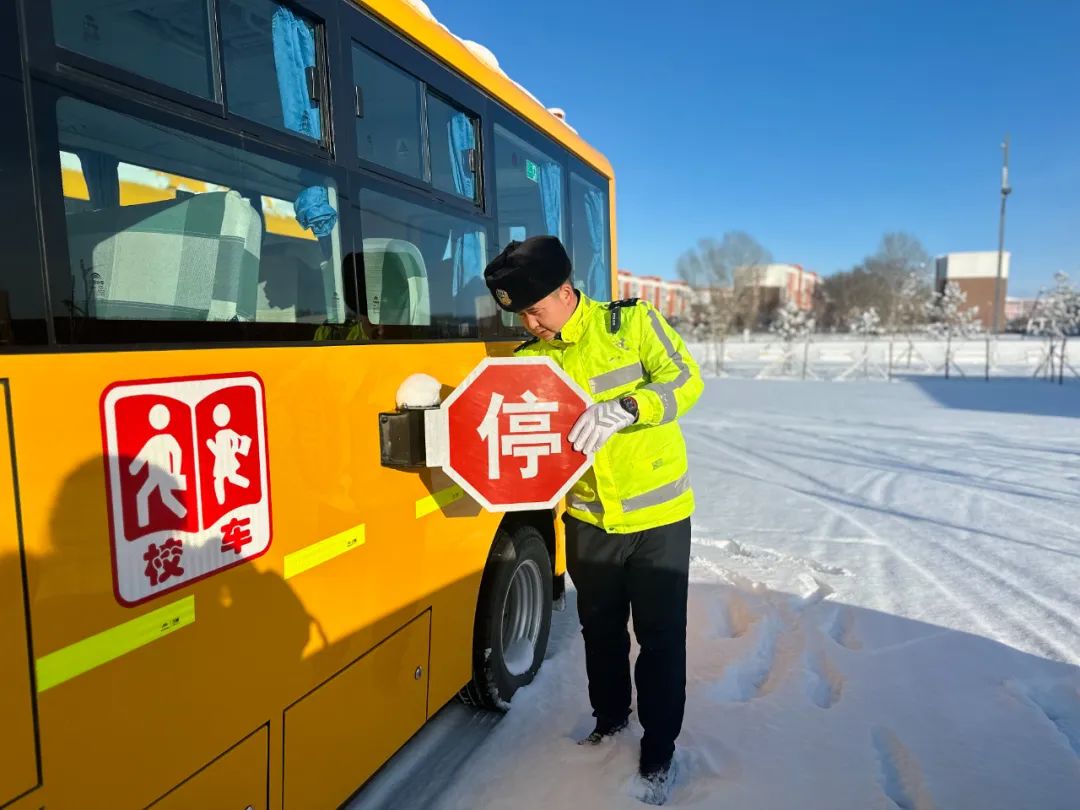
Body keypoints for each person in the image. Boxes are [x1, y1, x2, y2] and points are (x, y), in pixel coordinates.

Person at [483, 235, 702, 805]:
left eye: (536, 310)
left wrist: (630, 406)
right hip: (586, 519)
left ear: (565, 291)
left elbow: (686, 379)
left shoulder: (631, 324)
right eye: (520, 315)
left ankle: (659, 750)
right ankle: (610, 720)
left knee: (659, 639)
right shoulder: (529, 361)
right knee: (600, 632)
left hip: (658, 519)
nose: (530, 324)